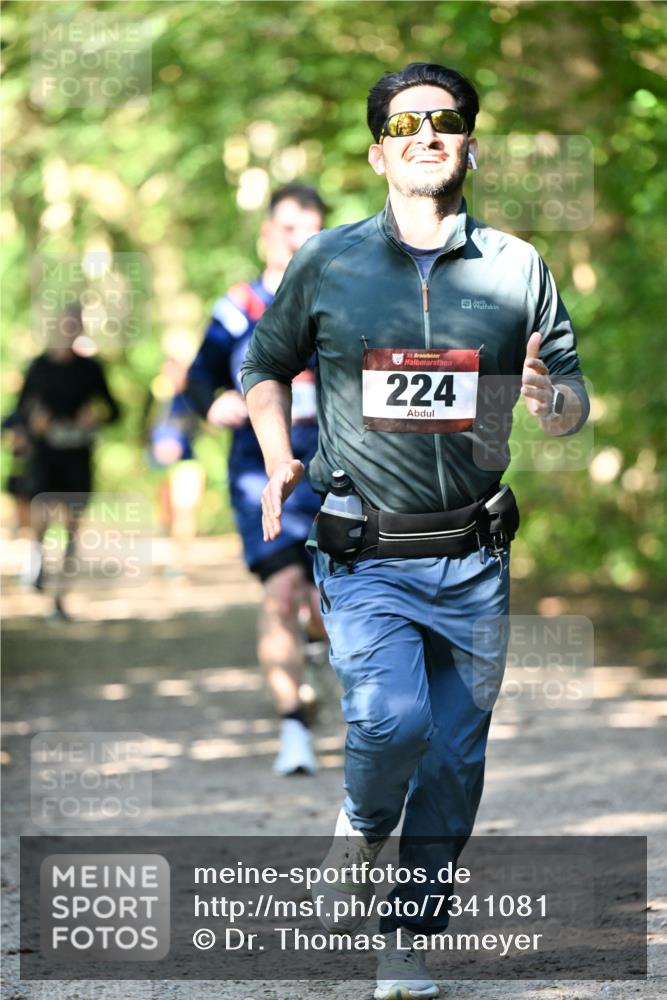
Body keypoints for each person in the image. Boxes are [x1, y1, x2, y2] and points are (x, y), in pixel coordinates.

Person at [241, 63, 589, 999]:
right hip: (365, 550)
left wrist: (549, 401)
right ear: (378, 151)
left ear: (469, 143)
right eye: (406, 125)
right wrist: (277, 453)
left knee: (454, 760)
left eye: (444, 121)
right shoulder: (328, 261)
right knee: (391, 722)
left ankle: (404, 938)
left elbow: (567, 396)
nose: (426, 135)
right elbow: (262, 363)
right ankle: (357, 829)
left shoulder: (516, 267)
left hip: (474, 555)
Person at [182, 183, 328, 776]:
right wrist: (213, 401)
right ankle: (293, 728)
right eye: (291, 229)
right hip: (259, 469)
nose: (300, 241)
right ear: (267, 234)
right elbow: (198, 377)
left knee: (325, 599)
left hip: (336, 465)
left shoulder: (338, 301)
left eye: (312, 231)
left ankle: (317, 642)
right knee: (282, 591)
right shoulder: (238, 308)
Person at [15, 303, 121, 620]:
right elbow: (17, 414)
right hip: (45, 457)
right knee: (42, 519)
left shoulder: (91, 369)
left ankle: (59, 599)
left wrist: (95, 416)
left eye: (75, 325)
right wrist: (34, 423)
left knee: (72, 528)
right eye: (65, 324)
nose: (69, 330)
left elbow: (114, 411)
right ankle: (36, 561)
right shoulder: (38, 367)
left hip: (77, 457)